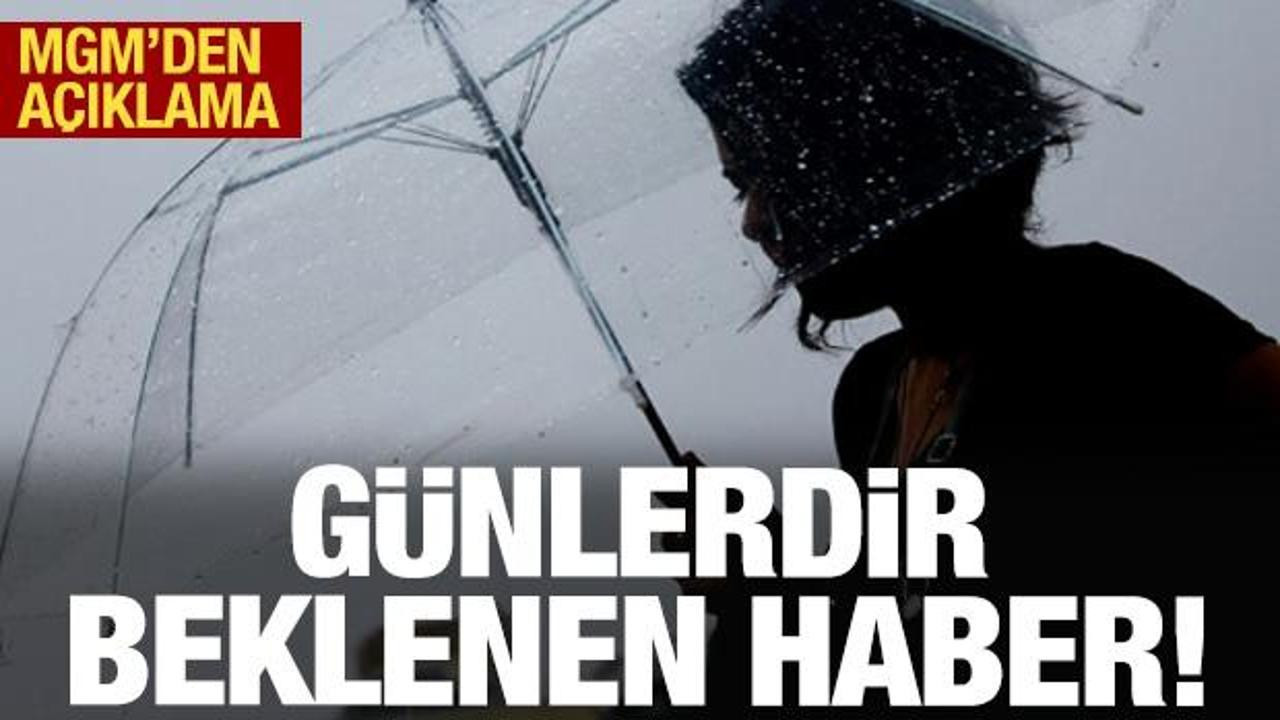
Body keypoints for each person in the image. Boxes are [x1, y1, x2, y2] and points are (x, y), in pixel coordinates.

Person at [673, 0, 1280, 713]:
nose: (752, 221)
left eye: (772, 173)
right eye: (740, 188)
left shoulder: (1105, 313)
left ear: (875, 145)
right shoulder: (874, 393)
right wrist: (761, 580)